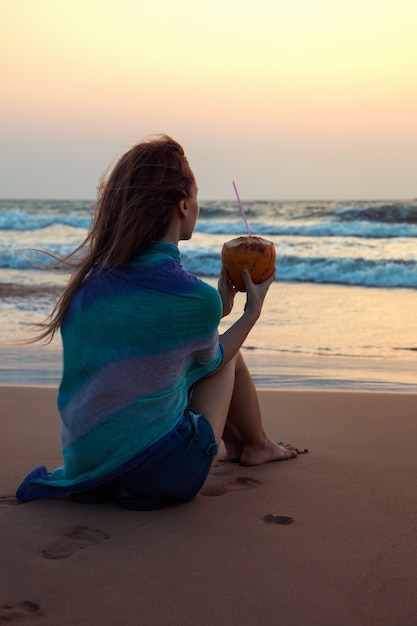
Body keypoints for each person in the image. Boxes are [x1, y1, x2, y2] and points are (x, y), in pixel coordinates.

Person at [16, 135, 296, 510]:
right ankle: (258, 445)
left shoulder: (88, 286)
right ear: (183, 204)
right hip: (164, 474)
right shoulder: (191, 297)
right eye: (196, 196)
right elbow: (212, 360)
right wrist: (249, 313)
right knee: (224, 353)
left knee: (208, 341)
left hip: (90, 469)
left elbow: (147, 350)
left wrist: (216, 309)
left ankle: (249, 444)